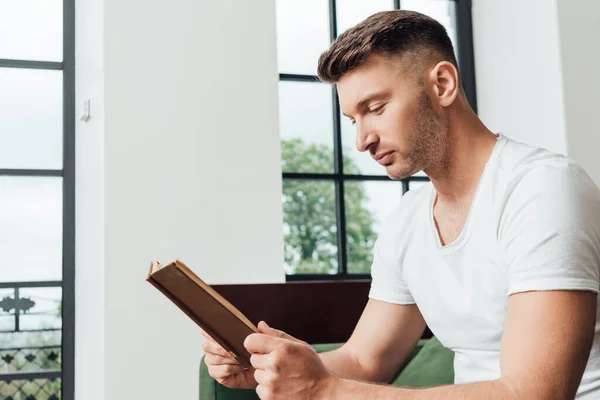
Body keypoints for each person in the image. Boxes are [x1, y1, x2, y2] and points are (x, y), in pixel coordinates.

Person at [202, 10, 600, 399]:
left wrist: (328, 390)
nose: (362, 140)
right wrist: (265, 367)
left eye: (375, 108)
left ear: (442, 84)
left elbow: (534, 393)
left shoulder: (541, 190)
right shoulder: (408, 222)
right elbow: (363, 360)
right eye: (352, 120)